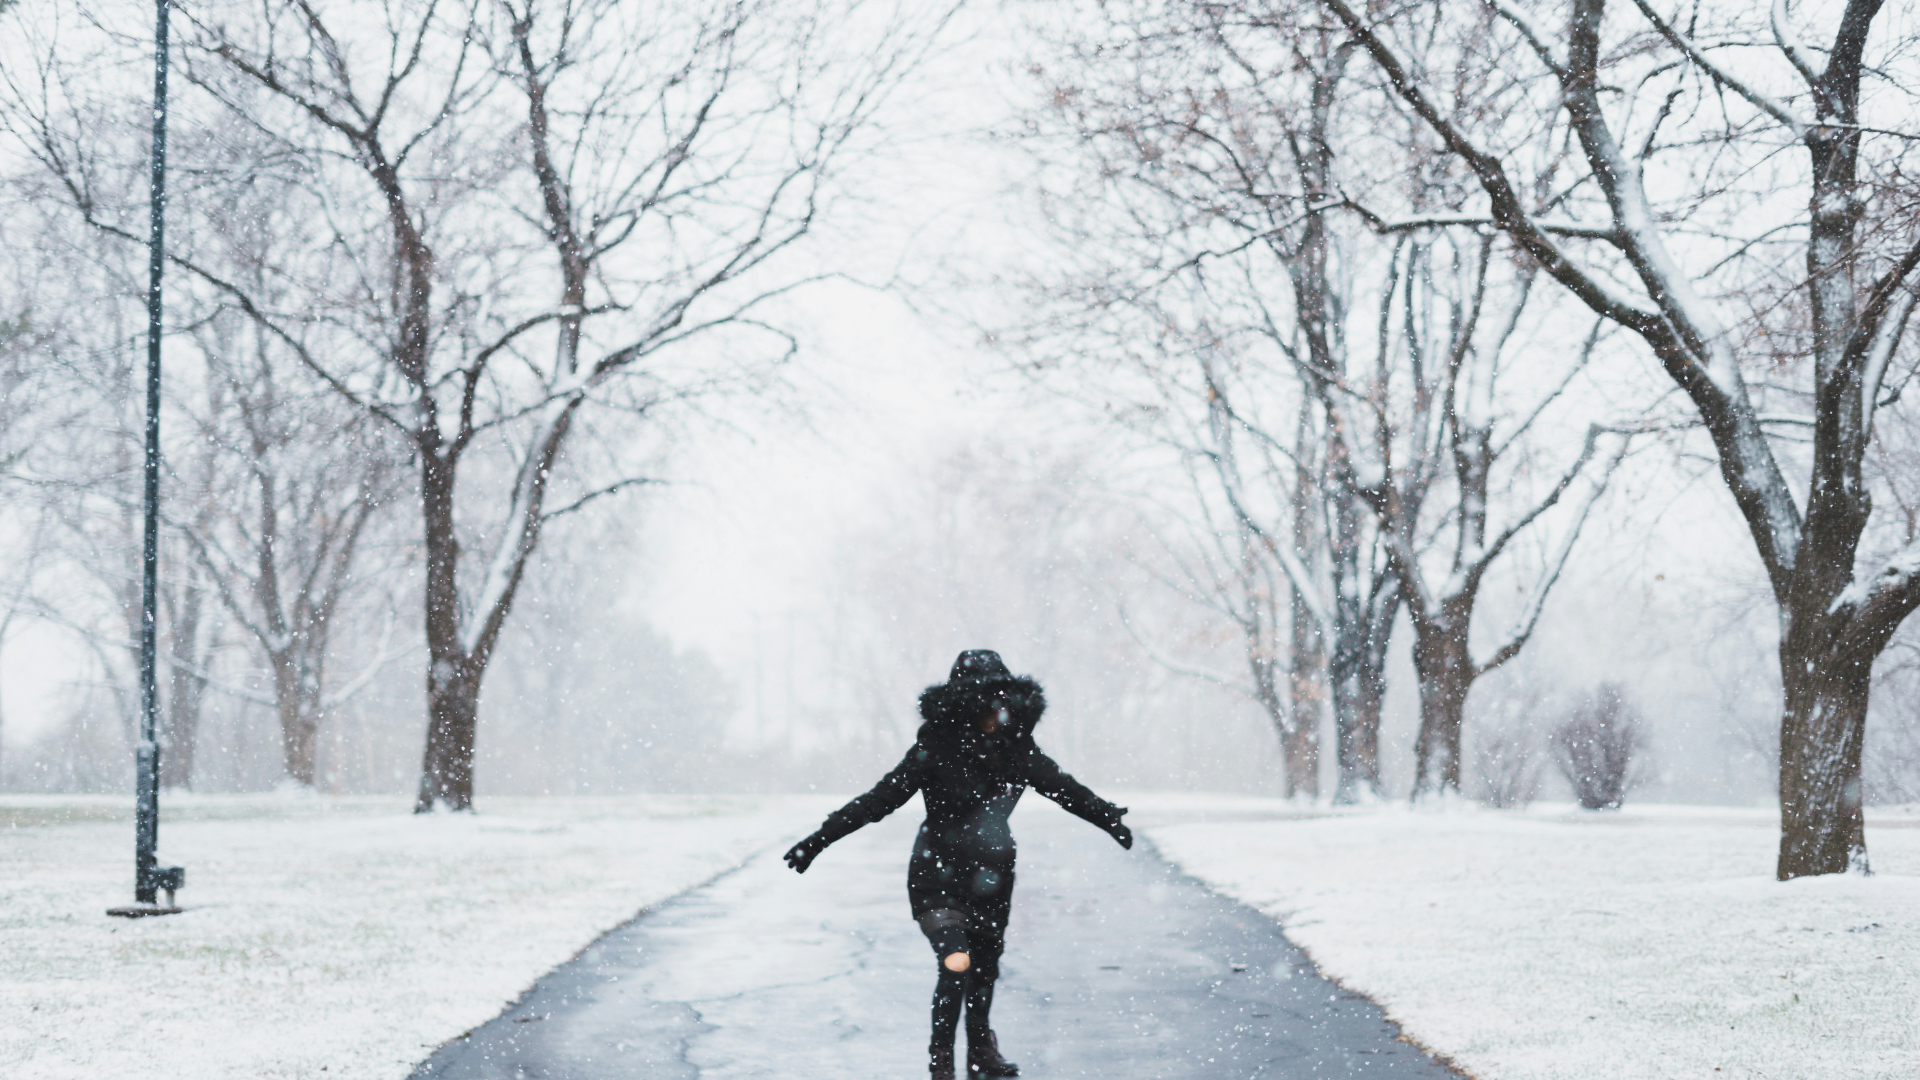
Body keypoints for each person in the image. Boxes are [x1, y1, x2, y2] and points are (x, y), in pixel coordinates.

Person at [784, 649, 1133, 1080]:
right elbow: (880, 800)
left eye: (1003, 702)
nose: (997, 712)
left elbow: (1063, 788)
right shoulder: (935, 746)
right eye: (987, 702)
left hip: (993, 876)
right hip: (936, 876)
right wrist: (819, 839)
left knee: (985, 967)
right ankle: (941, 1062)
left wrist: (1107, 817)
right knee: (956, 961)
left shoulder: (1017, 748)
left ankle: (981, 1050)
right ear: (965, 705)